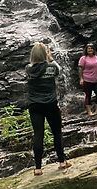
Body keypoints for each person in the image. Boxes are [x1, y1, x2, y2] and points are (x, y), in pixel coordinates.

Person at [26, 42, 71, 176]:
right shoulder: (51, 67)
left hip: (34, 105)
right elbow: (60, 70)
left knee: (38, 134)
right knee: (57, 132)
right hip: (50, 104)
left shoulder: (28, 68)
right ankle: (62, 162)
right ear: (45, 54)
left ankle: (38, 168)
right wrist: (50, 58)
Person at [78, 43, 97, 116]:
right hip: (87, 79)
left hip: (96, 80)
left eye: (91, 48)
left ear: (94, 49)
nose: (90, 49)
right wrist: (81, 78)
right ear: (86, 50)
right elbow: (80, 69)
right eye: (88, 48)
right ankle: (89, 111)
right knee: (88, 95)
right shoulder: (83, 58)